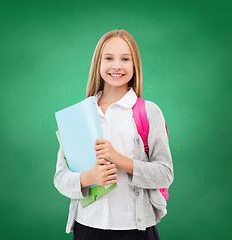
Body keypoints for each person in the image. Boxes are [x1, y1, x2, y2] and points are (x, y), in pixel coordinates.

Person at [54, 29, 174, 240]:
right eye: (109, 58)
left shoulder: (148, 112)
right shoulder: (78, 116)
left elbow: (165, 174)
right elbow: (60, 178)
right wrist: (88, 178)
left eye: (125, 59)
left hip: (135, 230)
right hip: (87, 228)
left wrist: (120, 160)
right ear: (98, 63)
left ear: (134, 65)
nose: (117, 65)